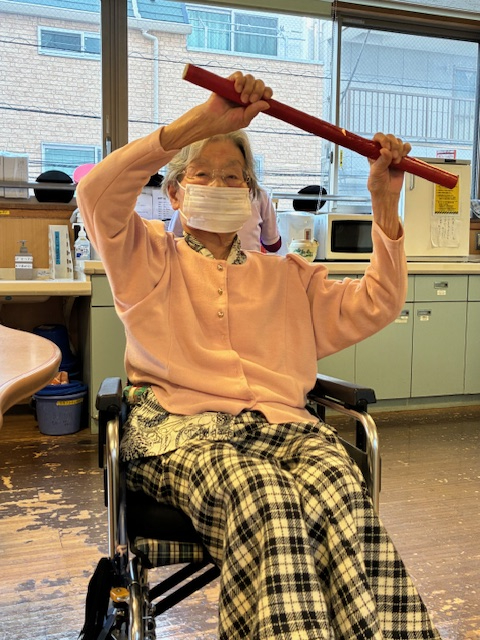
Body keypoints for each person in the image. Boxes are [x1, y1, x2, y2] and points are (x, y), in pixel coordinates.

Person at [77, 71, 441, 640]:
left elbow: (377, 303)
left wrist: (384, 202)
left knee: (343, 491)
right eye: (202, 174)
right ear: (175, 192)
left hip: (286, 430)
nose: (219, 184)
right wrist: (201, 123)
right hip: (183, 432)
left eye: (234, 177)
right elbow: (96, 194)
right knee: (265, 498)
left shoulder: (287, 276)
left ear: (252, 197)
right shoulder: (147, 258)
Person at [167, 181, 282, 253]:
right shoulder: (259, 194)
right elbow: (273, 244)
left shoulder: (194, 195)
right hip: (247, 269)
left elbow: (173, 241)